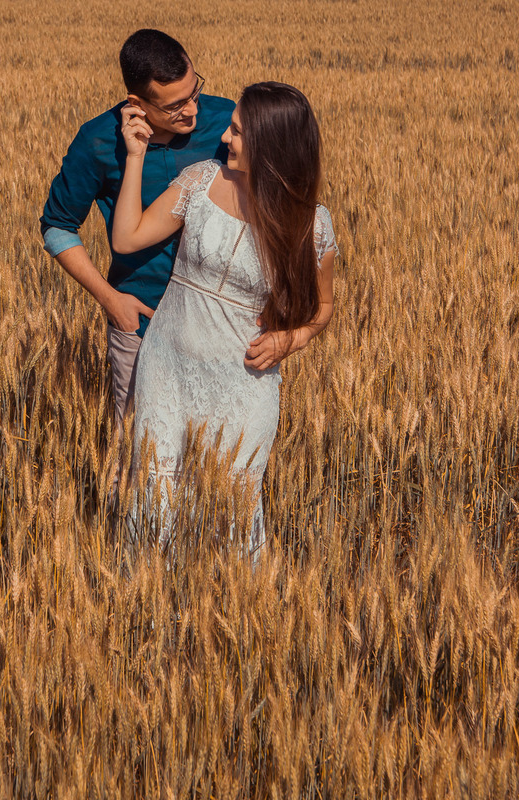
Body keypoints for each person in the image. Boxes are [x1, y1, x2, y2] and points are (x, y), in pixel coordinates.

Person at [112, 82, 338, 555]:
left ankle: (226, 621)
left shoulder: (311, 224)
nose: (224, 139)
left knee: (232, 509)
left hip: (244, 383)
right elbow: (127, 238)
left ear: (271, 146)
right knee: (155, 495)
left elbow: (323, 309)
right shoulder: (200, 180)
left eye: (237, 132)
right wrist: (135, 156)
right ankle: (151, 618)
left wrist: (289, 341)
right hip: (167, 369)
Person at [39, 29, 235, 424]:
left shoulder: (226, 123)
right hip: (142, 320)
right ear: (137, 103)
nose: (193, 111)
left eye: (194, 91)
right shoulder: (97, 141)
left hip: (219, 325)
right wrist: (112, 301)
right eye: (176, 106)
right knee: (135, 457)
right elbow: (57, 226)